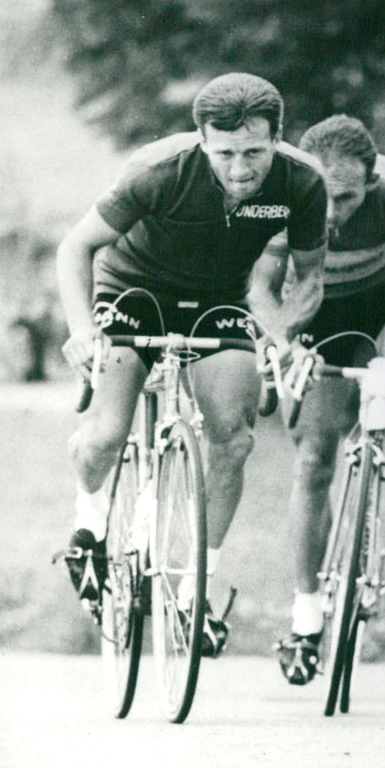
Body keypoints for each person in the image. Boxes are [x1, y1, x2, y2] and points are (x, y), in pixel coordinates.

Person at [56, 72, 327, 655]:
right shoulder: (159, 172)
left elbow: (308, 279)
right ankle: (88, 522)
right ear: (201, 139)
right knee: (104, 435)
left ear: (279, 137)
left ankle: (194, 591)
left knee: (233, 437)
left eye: (255, 152)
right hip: (133, 293)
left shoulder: (302, 183)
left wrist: (283, 336)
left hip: (218, 301)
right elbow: (75, 248)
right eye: (224, 153)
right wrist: (81, 330)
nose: (239, 169)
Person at [250, 114, 385, 685]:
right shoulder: (280, 194)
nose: (328, 214)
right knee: (314, 458)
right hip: (319, 306)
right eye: (319, 197)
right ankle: (305, 620)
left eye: (344, 199)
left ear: (370, 185)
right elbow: (260, 287)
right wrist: (279, 345)